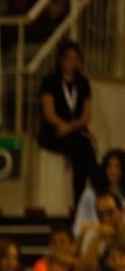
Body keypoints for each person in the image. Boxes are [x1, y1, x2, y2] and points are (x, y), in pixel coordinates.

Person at [38, 41, 98, 209]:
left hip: (73, 131)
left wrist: (70, 127)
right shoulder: (50, 81)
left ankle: (80, 202)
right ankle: (99, 183)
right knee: (82, 145)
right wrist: (63, 126)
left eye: (76, 59)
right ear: (60, 60)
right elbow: (49, 114)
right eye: (69, 58)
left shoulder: (83, 83)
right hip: (53, 132)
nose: (72, 63)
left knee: (81, 151)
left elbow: (86, 115)